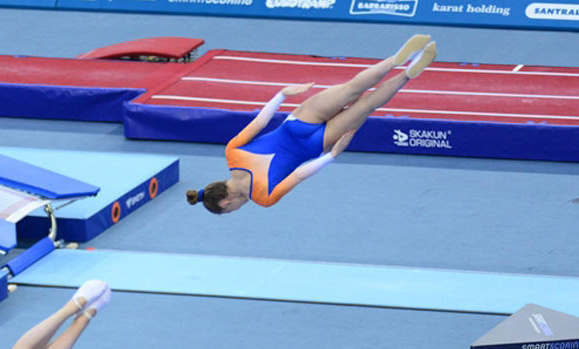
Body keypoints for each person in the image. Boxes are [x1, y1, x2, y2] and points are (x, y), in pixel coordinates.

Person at [185, 33, 438, 214]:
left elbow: (298, 174)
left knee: (366, 105)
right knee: (352, 89)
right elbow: (261, 122)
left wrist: (332, 156)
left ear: (226, 203)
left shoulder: (263, 198)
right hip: (297, 123)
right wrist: (282, 95)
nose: (237, 210)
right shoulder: (232, 154)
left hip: (316, 144)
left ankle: (407, 73)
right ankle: (396, 60)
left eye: (231, 211)